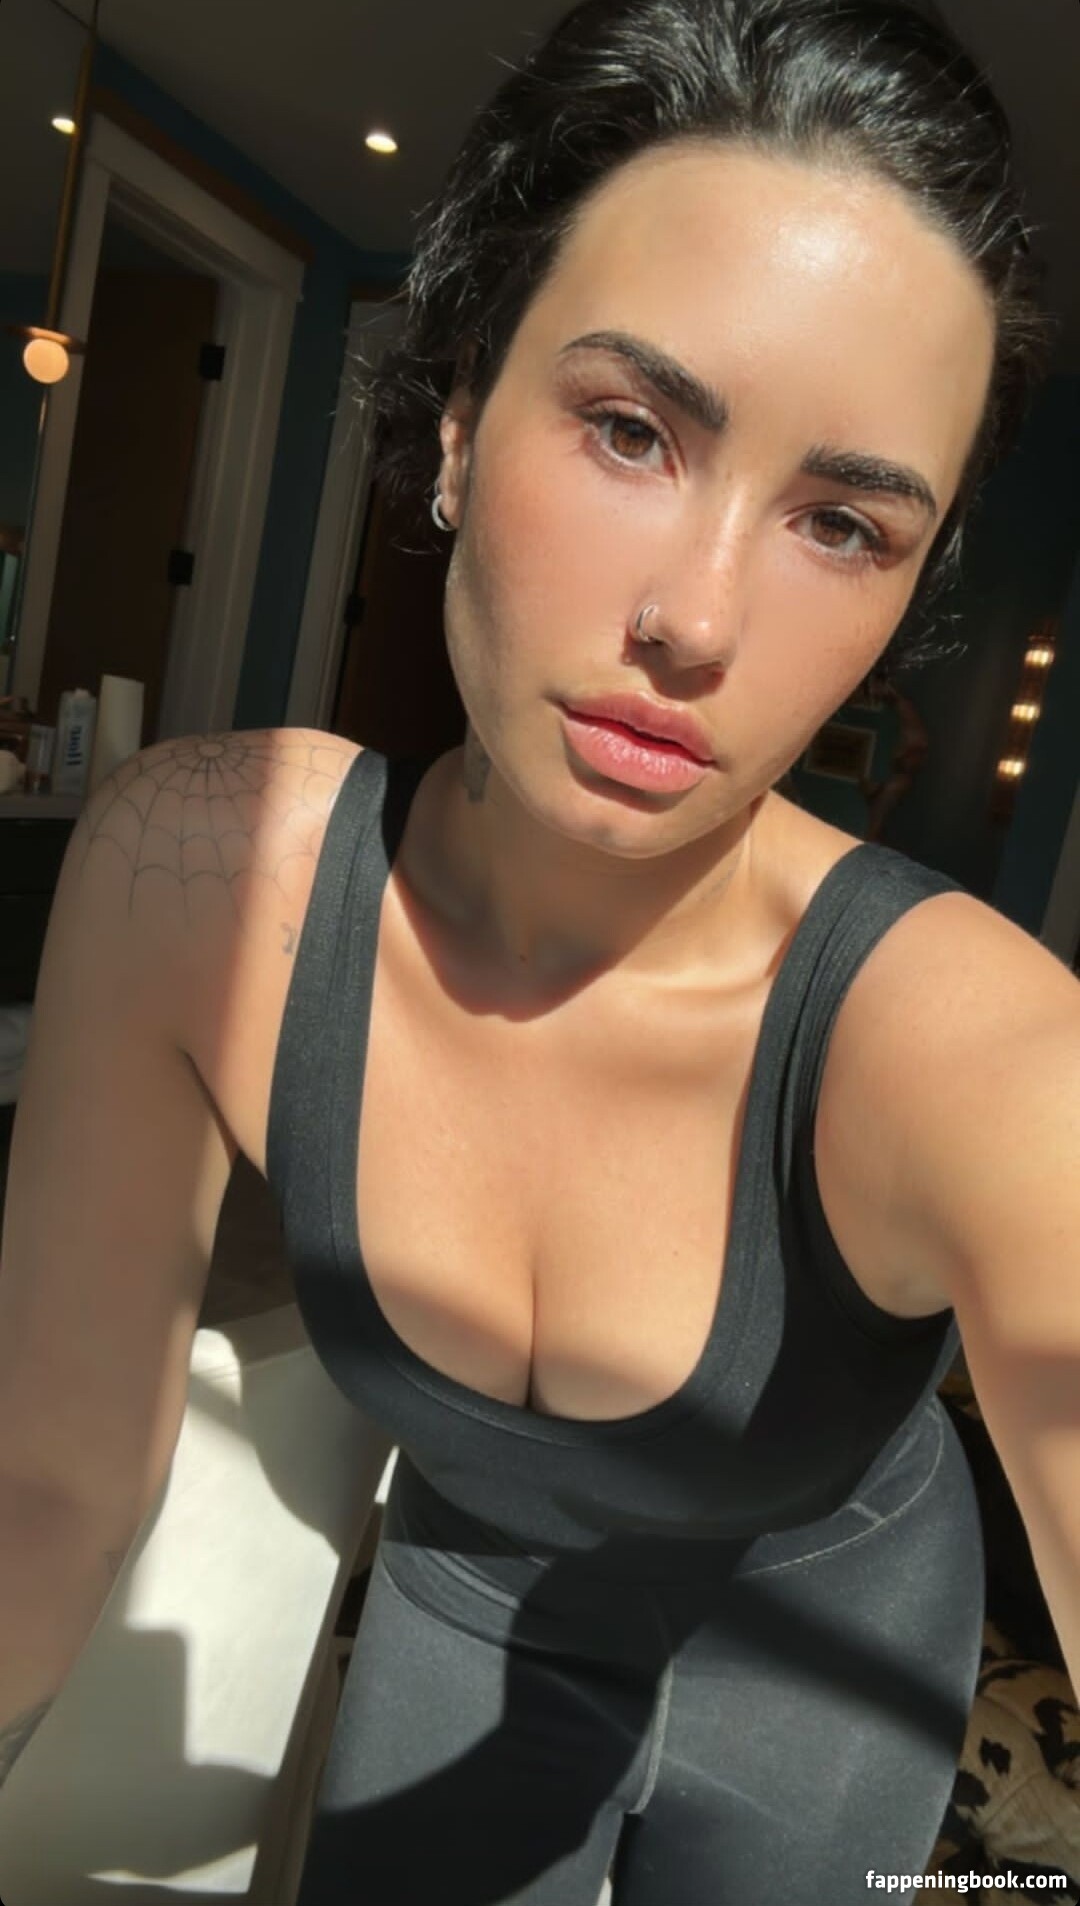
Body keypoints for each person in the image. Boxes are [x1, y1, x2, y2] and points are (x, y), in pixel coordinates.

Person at [1, 0, 1078, 1901]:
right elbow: (51, 1480)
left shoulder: (966, 1043)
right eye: (631, 429)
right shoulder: (197, 877)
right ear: (456, 415)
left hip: (832, 1674)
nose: (698, 619)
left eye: (842, 521)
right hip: (468, 1598)